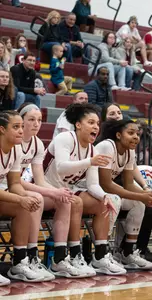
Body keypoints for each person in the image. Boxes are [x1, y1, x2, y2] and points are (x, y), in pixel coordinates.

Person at [43, 103, 126, 276]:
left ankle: (101, 256)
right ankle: (73, 255)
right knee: (76, 201)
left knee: (103, 203)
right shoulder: (65, 138)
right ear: (78, 125)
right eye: (91, 122)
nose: (96, 126)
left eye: (97, 123)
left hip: (65, 191)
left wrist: (105, 196)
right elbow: (61, 168)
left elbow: (93, 185)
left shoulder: (92, 149)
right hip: (44, 188)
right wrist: (90, 162)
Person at [11, 103, 83, 278]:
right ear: (21, 120)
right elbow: (15, 180)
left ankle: (59, 258)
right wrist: (52, 192)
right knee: (39, 198)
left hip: (19, 186)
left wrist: (59, 192)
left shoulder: (37, 144)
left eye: (39, 120)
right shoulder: (12, 142)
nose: (36, 124)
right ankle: (31, 254)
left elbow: (40, 179)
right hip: (11, 186)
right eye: (31, 120)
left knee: (64, 199)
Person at [94, 119, 152, 269]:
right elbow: (106, 184)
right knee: (114, 200)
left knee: (138, 203)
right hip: (89, 189)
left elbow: (129, 184)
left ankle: (127, 253)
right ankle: (102, 253)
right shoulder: (107, 146)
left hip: (104, 192)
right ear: (118, 135)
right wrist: (140, 195)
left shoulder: (130, 151)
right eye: (130, 133)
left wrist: (147, 194)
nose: (136, 136)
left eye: (137, 133)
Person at [0, 110, 45, 283]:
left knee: (24, 207)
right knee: (21, 202)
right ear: (2, 130)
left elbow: (14, 184)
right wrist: (20, 198)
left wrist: (26, 197)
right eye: (16, 127)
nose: (21, 130)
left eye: (21, 126)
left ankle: (19, 263)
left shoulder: (16, 150)